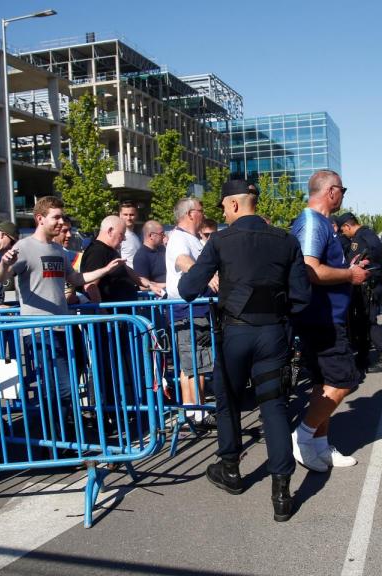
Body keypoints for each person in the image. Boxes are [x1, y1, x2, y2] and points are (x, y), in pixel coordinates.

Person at [178, 179, 312, 522]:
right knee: (274, 407)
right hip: (273, 335)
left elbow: (189, 289)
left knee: (229, 404)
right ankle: (281, 493)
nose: (222, 212)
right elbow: (302, 297)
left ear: (234, 205)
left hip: (235, 335)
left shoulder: (221, 240)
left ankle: (231, 470)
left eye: (223, 206)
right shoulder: (286, 239)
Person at [289, 170, 370, 472]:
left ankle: (320, 446)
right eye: (343, 190)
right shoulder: (312, 222)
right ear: (332, 191)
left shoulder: (319, 223)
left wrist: (348, 269)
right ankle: (303, 435)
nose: (343, 196)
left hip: (322, 316)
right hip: (321, 319)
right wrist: (351, 275)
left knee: (323, 385)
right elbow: (310, 269)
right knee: (342, 381)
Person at [0, 196, 124, 315]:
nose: (61, 221)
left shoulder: (58, 249)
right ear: (40, 219)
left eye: (62, 217)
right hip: (38, 330)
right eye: (56, 217)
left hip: (62, 325)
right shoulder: (23, 246)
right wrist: (4, 265)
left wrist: (106, 270)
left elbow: (75, 279)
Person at [166, 196, 217, 431]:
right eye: (201, 209)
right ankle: (195, 413)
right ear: (190, 214)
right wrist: (205, 276)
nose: (203, 213)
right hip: (186, 308)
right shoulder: (179, 238)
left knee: (198, 364)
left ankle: (196, 410)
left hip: (195, 307)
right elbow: (182, 260)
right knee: (193, 364)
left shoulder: (193, 238)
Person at [336, 212, 382, 372]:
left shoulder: (359, 239)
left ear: (347, 226)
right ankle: (362, 358)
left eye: (343, 230)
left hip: (367, 286)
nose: (343, 234)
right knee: (362, 322)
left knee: (370, 322)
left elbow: (353, 262)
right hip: (370, 284)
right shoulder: (368, 234)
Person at [80, 215, 162, 303]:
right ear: (110, 231)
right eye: (121, 234)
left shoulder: (111, 250)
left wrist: (150, 285)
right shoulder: (96, 251)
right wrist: (102, 312)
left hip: (123, 311)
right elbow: (90, 285)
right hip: (112, 313)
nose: (124, 238)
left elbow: (129, 271)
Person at [118, 200, 141, 267]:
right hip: (127, 275)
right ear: (120, 215)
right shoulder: (118, 236)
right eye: (125, 214)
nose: (128, 218)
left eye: (131, 215)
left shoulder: (136, 235)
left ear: (137, 215)